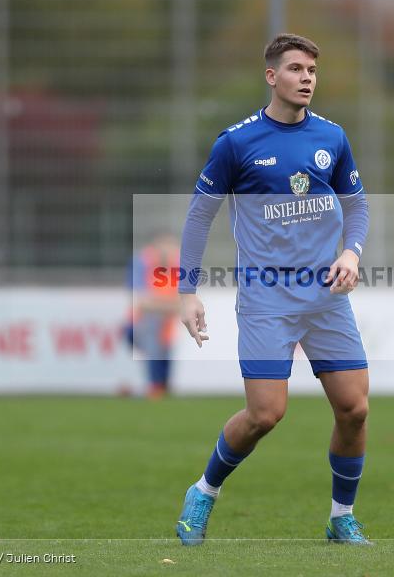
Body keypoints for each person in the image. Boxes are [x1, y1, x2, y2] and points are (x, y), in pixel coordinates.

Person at [174, 33, 372, 545]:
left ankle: (341, 517)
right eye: (296, 69)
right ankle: (203, 490)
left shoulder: (332, 137)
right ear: (271, 76)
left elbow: (357, 206)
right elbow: (199, 217)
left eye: (312, 70)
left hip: (326, 295)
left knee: (354, 408)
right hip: (266, 296)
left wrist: (351, 252)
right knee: (266, 414)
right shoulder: (236, 143)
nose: (307, 78)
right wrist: (186, 290)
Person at [123, 233, 180, 399]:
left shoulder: (177, 267)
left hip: (166, 329)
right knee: (152, 326)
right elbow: (141, 302)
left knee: (160, 331)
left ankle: (159, 386)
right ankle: (154, 386)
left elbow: (182, 305)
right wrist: (168, 306)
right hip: (139, 325)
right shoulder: (141, 263)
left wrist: (158, 305)